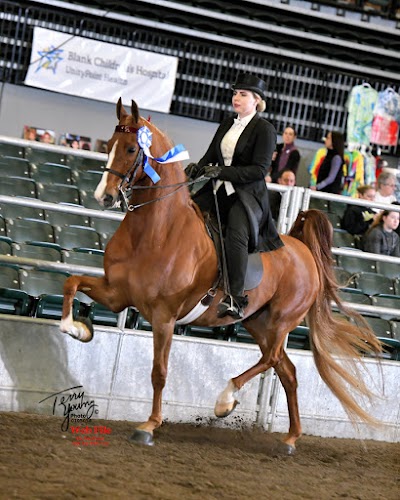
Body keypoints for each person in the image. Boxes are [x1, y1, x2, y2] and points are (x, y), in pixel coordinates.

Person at [186, 72, 284, 319]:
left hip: (246, 197)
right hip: (217, 190)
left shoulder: (265, 129)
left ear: (256, 100)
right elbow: (211, 155)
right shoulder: (227, 124)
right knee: (186, 214)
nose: (236, 98)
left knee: (236, 236)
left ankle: (236, 298)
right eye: (235, 93)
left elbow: (259, 170)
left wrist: (223, 171)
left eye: (243, 94)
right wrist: (196, 169)